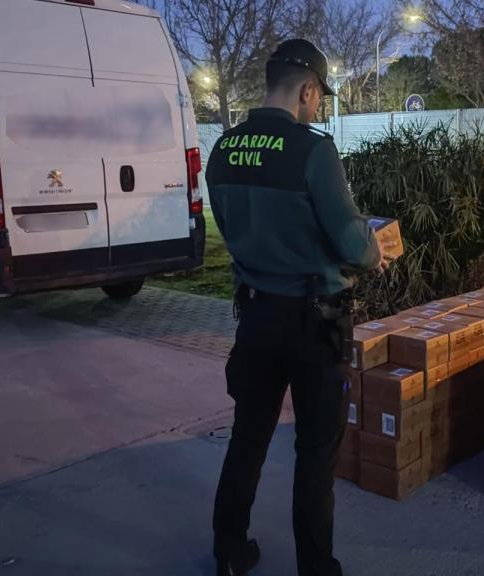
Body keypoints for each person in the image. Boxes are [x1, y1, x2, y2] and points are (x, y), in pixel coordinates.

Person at [206, 38, 393, 576]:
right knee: (314, 452)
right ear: (308, 89)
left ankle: (228, 553)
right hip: (315, 325)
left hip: (256, 317)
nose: (318, 108)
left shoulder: (223, 149)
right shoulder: (313, 150)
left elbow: (233, 229)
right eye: (319, 98)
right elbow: (353, 243)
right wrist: (373, 249)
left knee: (248, 437)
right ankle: (315, 567)